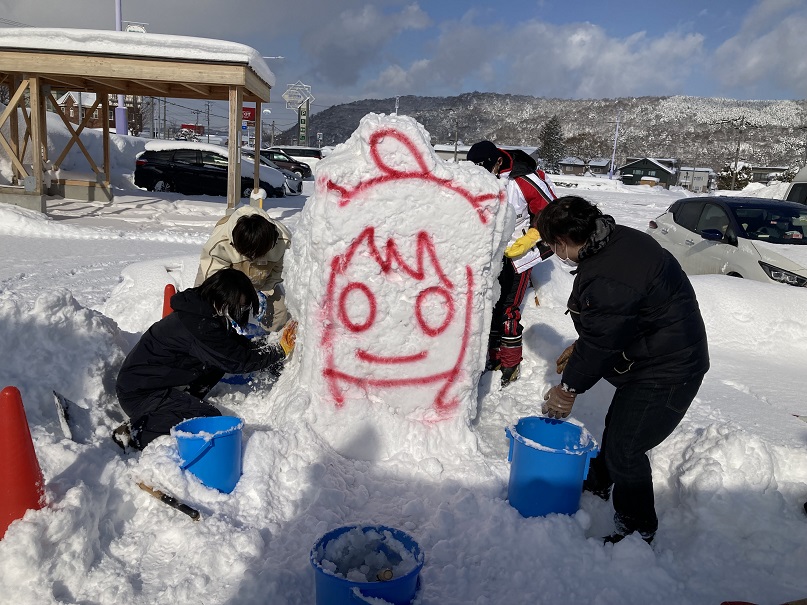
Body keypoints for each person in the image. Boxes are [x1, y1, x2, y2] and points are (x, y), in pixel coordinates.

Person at [536, 195, 709, 544]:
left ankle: (637, 528)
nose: (553, 250)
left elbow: (604, 339)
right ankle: (601, 479)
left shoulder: (609, 274)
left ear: (563, 242)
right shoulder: (614, 240)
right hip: (656, 353)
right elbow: (612, 324)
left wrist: (567, 389)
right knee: (619, 425)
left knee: (626, 448)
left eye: (552, 244)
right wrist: (581, 345)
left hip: (671, 368)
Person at [115, 268, 297, 450]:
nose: (241, 311)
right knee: (205, 416)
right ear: (225, 299)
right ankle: (135, 432)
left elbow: (234, 346)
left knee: (216, 363)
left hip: (154, 382)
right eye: (240, 306)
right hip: (139, 394)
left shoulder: (202, 309)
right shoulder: (199, 325)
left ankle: (180, 403)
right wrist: (279, 351)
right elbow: (236, 360)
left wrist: (271, 347)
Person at [466, 140, 558, 386]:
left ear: (497, 161)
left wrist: (532, 237)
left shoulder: (523, 180)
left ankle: (510, 363)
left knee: (508, 309)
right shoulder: (476, 177)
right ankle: (492, 356)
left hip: (520, 254)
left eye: (487, 169)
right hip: (490, 255)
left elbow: (554, 212)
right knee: (490, 305)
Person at [195, 205, 292, 332]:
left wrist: (265, 292)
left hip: (262, 278)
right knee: (201, 306)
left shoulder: (283, 241)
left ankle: (265, 343)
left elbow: (278, 271)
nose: (254, 259)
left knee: (280, 313)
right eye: (250, 256)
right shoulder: (218, 244)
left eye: (260, 255)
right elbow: (215, 280)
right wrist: (231, 299)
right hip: (223, 275)